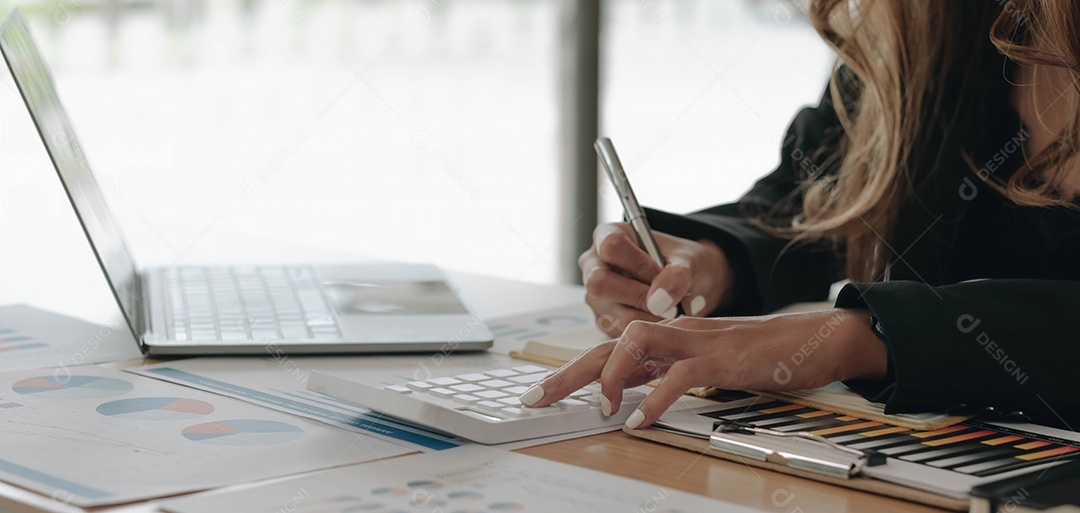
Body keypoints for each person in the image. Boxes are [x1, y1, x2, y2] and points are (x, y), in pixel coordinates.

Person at [518, 0, 1080, 430]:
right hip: (935, 464)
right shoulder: (921, 24)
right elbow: (821, 199)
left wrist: (857, 338)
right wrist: (717, 262)